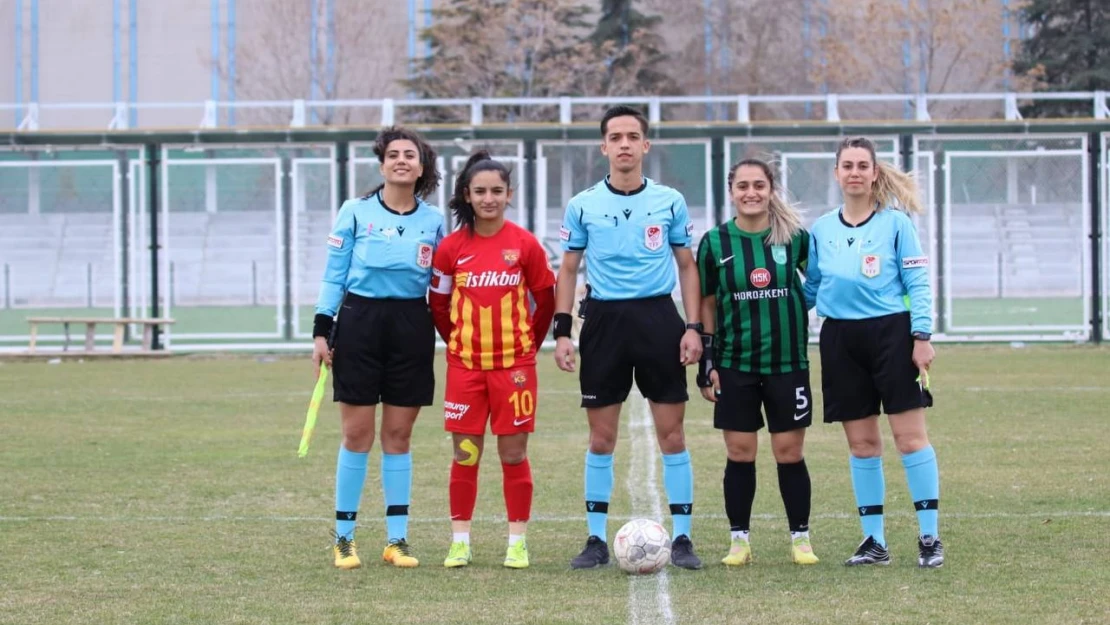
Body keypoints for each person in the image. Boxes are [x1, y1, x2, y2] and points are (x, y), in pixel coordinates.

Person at [553, 105, 705, 570]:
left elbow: (686, 265)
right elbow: (568, 269)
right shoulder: (582, 204)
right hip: (604, 323)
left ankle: (683, 539)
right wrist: (563, 331)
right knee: (601, 438)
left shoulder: (669, 200)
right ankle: (595, 539)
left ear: (645, 145)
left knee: (672, 434)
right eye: (615, 137)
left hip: (658, 318)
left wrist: (693, 327)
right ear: (604, 146)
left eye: (632, 136)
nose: (624, 144)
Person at [803, 136, 942, 568]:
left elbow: (917, 282)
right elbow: (811, 288)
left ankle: (929, 537)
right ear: (836, 173)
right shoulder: (821, 229)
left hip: (891, 336)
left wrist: (921, 335)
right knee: (862, 444)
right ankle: (874, 542)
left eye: (863, 165)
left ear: (874, 172)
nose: (855, 173)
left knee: (909, 438)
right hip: (840, 341)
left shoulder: (896, 224)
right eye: (847, 165)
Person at [312, 126, 444, 570]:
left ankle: (396, 541)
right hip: (359, 323)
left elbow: (441, 281)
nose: (401, 160)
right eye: (394, 155)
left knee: (399, 436)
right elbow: (334, 273)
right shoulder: (355, 212)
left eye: (410, 155)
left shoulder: (433, 221)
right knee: (357, 434)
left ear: (421, 167)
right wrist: (321, 331)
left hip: (411, 325)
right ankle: (344, 540)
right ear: (382, 164)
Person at [428, 152, 555, 570]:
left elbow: (545, 302)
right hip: (465, 369)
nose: (488, 199)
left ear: (509, 194)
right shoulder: (450, 248)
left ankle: (517, 542)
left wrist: (526, 346)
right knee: (465, 453)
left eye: (496, 191)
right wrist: (459, 344)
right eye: (480, 191)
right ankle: (460, 542)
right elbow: (438, 306)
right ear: (467, 194)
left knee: (513, 454)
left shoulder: (525, 244)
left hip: (514, 369)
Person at [695, 158, 819, 567]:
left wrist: (799, 309)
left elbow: (819, 280)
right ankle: (739, 541)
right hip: (735, 363)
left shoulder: (795, 238)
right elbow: (707, 302)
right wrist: (708, 360)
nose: (751, 193)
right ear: (732, 191)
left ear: (771, 190)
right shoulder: (715, 242)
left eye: (759, 185)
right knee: (740, 451)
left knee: (789, 452)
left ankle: (800, 539)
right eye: (743, 186)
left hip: (787, 362)